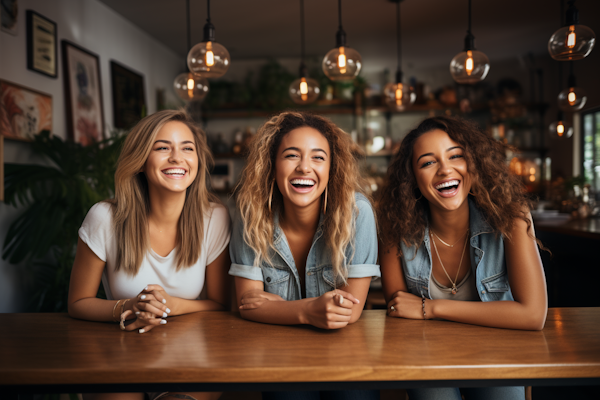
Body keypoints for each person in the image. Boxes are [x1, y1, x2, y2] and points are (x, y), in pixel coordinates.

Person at [378, 115, 547, 400]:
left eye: (456, 156)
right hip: (426, 352)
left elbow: (533, 314)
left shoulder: (511, 217)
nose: (445, 170)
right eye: (428, 162)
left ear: (474, 165)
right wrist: (420, 311)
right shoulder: (395, 229)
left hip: (498, 348)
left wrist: (431, 308)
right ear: (413, 179)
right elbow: (400, 311)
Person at [68, 110, 231, 400]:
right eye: (162, 147)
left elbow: (221, 304)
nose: (177, 158)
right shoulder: (104, 217)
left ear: (197, 161)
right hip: (118, 354)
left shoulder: (214, 218)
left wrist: (170, 306)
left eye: (187, 148)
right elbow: (78, 303)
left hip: (190, 358)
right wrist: (129, 306)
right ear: (141, 160)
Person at [229, 111, 380, 400]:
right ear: (272, 166)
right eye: (291, 156)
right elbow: (247, 304)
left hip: (345, 350)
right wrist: (309, 311)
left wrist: (277, 308)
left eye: (318, 157)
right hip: (279, 351)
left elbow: (350, 312)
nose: (304, 168)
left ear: (332, 168)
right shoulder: (250, 215)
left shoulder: (357, 212)